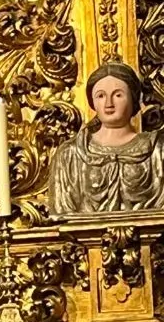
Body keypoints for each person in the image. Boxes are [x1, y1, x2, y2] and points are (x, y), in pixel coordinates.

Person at [49, 60, 164, 215]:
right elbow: (62, 216)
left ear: (133, 98)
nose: (109, 103)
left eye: (118, 95)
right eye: (101, 96)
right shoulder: (70, 155)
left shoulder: (157, 150)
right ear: (92, 102)